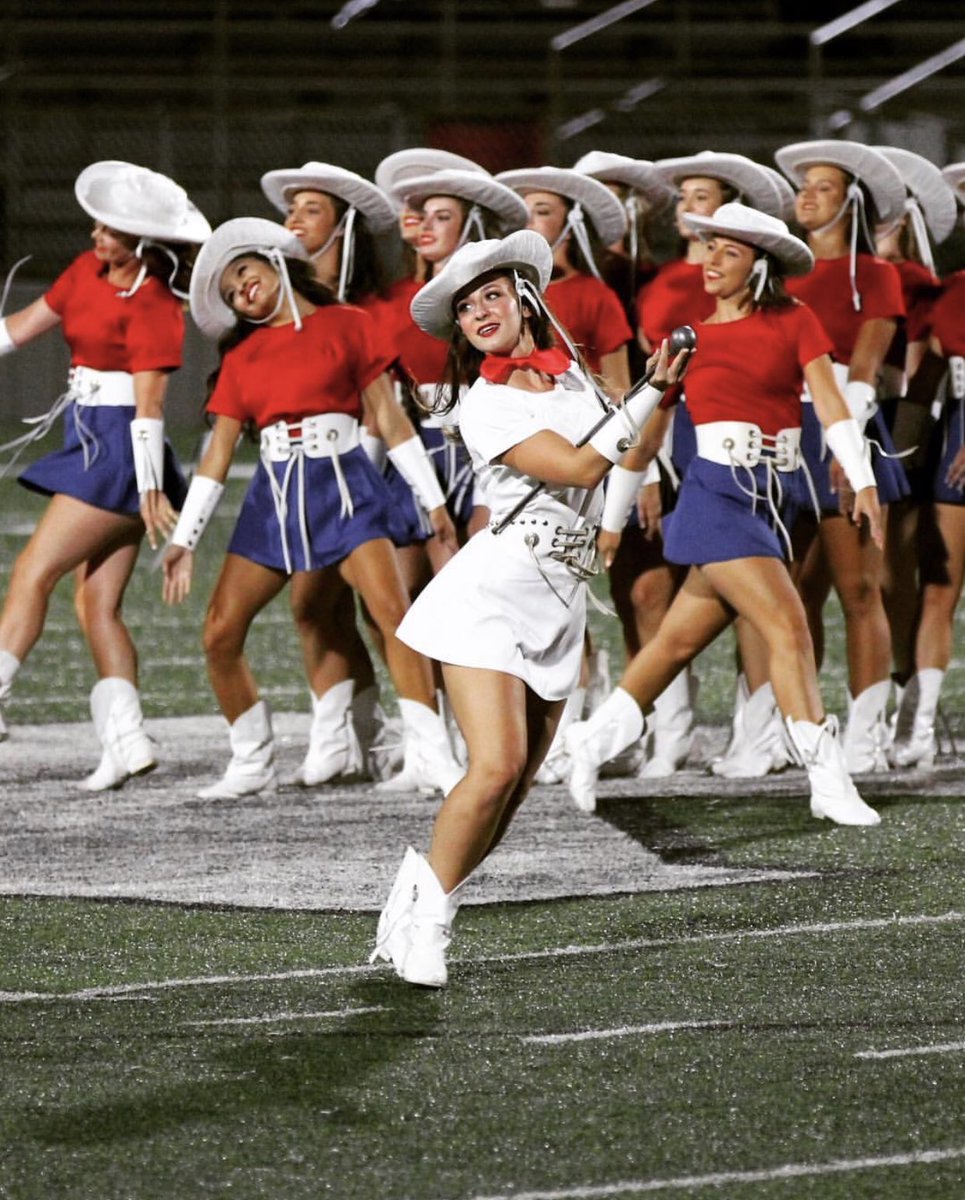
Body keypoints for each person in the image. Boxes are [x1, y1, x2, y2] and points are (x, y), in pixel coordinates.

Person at [369, 230, 687, 988]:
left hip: (559, 597)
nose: (478, 312)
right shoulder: (484, 404)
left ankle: (416, 902)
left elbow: (627, 458)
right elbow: (580, 462)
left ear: (525, 300)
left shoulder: (574, 384)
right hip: (490, 592)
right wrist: (641, 392)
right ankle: (425, 926)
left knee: (510, 796)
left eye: (491, 296)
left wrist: (661, 394)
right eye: (465, 307)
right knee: (495, 767)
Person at [564, 203, 884, 829]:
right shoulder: (685, 339)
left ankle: (592, 741)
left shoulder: (795, 320)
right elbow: (646, 438)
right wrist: (612, 519)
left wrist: (863, 480)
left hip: (781, 497)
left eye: (728, 252)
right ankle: (828, 778)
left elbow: (830, 404)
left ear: (759, 266)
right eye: (709, 247)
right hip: (715, 493)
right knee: (789, 625)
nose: (710, 261)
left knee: (678, 640)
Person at [161, 218, 462, 799]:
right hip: (273, 499)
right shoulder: (243, 359)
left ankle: (432, 756)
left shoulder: (349, 324)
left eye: (243, 273)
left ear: (274, 262)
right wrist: (184, 540)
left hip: (346, 488)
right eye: (228, 294)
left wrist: (433, 500)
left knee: (392, 616)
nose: (240, 290)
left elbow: (392, 419)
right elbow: (216, 458)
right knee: (219, 633)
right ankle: (252, 759)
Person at [0, 159, 209, 789]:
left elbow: (149, 408)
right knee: (96, 603)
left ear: (141, 242)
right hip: (91, 439)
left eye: (109, 232)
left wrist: (148, 488)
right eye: (96, 227)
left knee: (33, 572)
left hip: (118, 451)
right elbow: (20, 328)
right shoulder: (84, 273)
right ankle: (128, 739)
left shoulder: (153, 303)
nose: (96, 238)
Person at [259, 160, 456, 786]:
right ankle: (347, 738)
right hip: (299, 475)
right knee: (311, 606)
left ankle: (436, 741)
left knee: (390, 610)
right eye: (290, 209)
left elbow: (388, 411)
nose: (292, 219)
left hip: (368, 475)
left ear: (341, 225)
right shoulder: (276, 307)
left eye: (309, 209)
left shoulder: (377, 307)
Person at [610, 151, 789, 781]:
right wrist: (651, 466)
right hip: (682, 439)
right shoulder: (661, 286)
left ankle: (759, 731)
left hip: (745, 445)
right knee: (674, 593)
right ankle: (665, 731)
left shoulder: (756, 291)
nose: (690, 206)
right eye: (682, 194)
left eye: (704, 194)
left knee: (757, 598)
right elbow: (657, 388)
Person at [774, 139, 909, 774]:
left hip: (843, 428)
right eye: (804, 186)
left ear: (849, 203)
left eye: (823, 187)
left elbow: (865, 367)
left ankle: (866, 731)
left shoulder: (875, 274)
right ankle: (801, 728)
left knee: (858, 588)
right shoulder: (780, 277)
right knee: (792, 592)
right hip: (781, 433)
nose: (807, 195)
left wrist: (846, 449)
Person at [869, 148, 955, 724]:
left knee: (914, 576)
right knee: (885, 575)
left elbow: (926, 366)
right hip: (890, 423)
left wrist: (903, 443)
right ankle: (896, 695)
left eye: (887, 214)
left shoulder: (918, 282)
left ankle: (906, 702)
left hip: (911, 424)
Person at [889, 160, 965, 766]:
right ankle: (917, 726)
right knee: (937, 586)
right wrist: (898, 458)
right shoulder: (952, 290)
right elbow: (931, 376)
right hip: (954, 434)